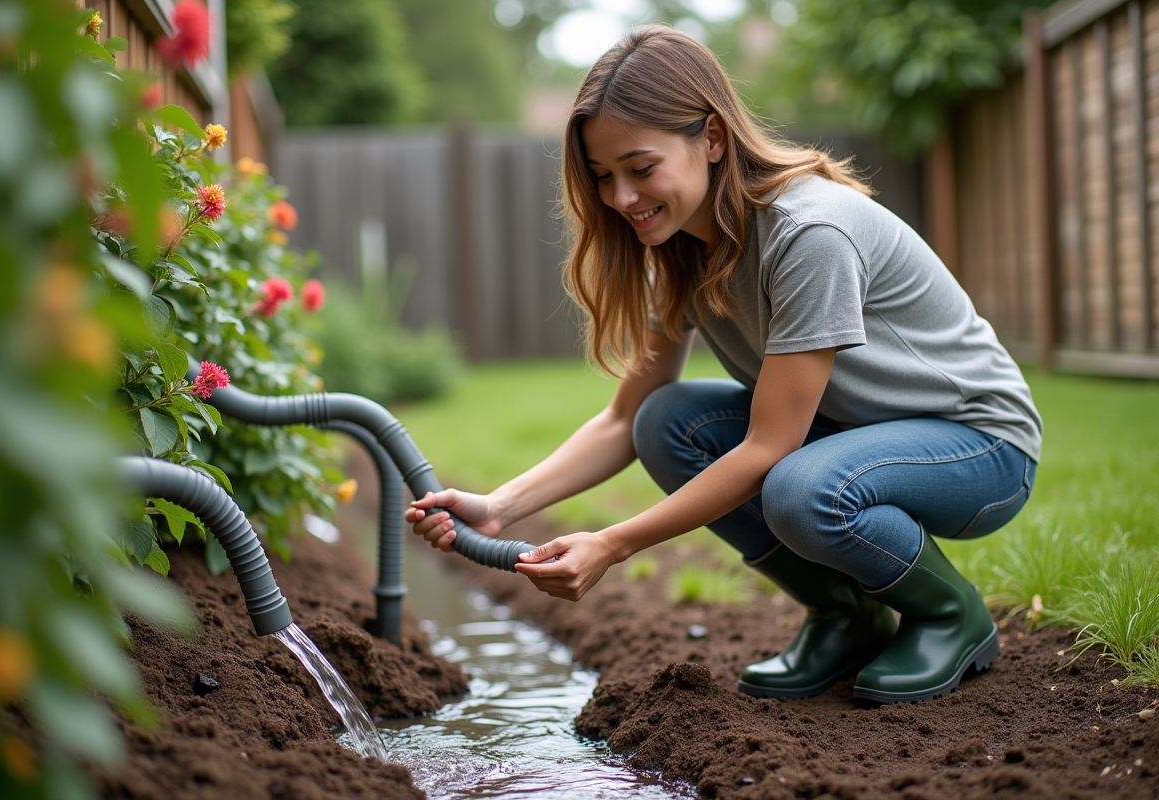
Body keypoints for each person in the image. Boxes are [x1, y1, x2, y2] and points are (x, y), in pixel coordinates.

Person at [405, 25, 1041, 705]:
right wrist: (499, 506)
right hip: (855, 441)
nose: (620, 199)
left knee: (801, 487)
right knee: (664, 421)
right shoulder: (682, 249)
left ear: (711, 138)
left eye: (640, 168)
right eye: (603, 177)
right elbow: (623, 418)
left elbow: (772, 445)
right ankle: (845, 615)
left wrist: (613, 544)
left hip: (979, 448)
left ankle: (949, 613)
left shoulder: (808, 233)